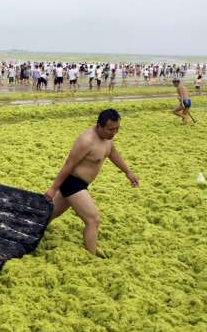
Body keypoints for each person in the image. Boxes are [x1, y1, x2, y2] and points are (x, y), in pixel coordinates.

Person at [45, 109, 139, 256]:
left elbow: (112, 153)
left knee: (48, 214)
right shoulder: (86, 141)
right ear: (99, 126)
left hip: (81, 185)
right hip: (73, 183)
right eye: (110, 129)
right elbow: (68, 165)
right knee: (93, 219)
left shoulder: (108, 138)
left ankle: (24, 228)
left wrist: (128, 171)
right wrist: (52, 188)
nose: (114, 133)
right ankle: (91, 254)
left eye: (117, 129)